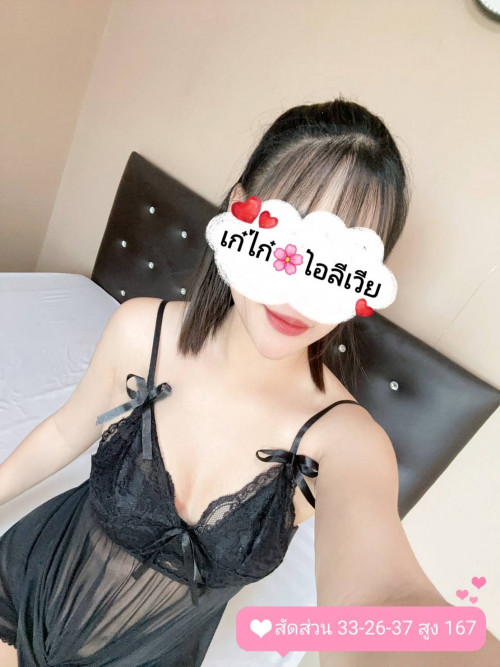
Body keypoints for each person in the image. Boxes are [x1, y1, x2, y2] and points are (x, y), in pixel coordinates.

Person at [1, 98, 498, 666]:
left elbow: (383, 601)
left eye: (339, 259)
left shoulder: (344, 442)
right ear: (239, 211)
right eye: (287, 238)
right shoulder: (143, 332)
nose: (299, 289)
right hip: (24, 587)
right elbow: (65, 431)